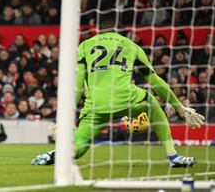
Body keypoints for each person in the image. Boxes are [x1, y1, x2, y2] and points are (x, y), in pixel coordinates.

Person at [31, 12, 205, 168]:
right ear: (121, 31)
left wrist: (64, 117)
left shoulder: (85, 45)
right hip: (125, 98)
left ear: (100, 30)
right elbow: (155, 81)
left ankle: (54, 154)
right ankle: (172, 155)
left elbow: (77, 87)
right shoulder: (131, 46)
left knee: (80, 144)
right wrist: (179, 108)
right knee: (152, 103)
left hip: (95, 106)